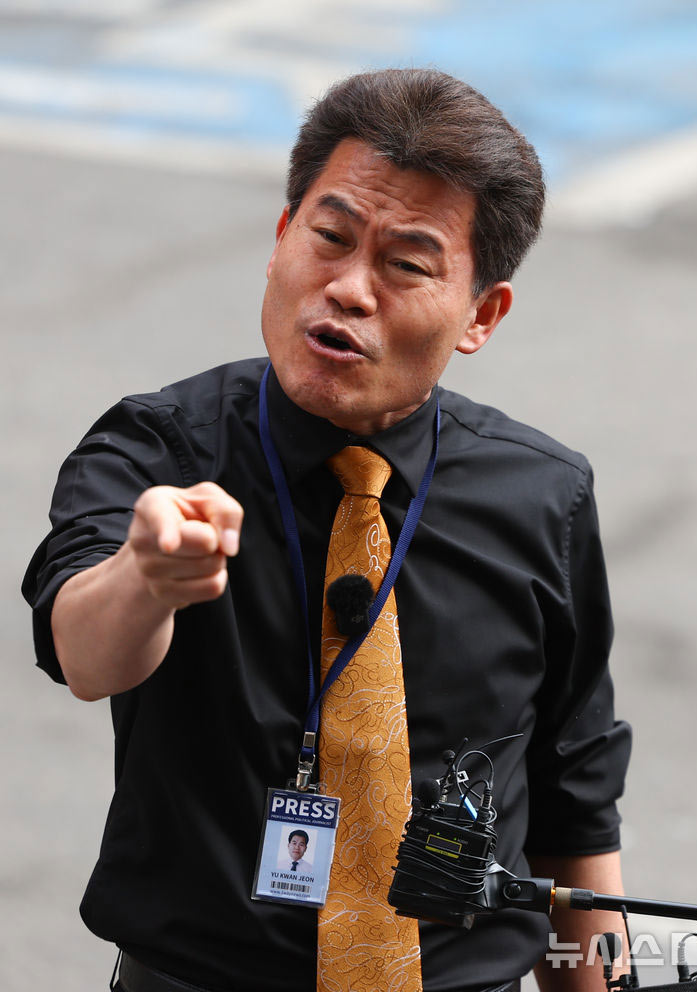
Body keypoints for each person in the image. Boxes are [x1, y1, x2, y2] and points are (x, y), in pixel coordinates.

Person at [23, 68, 631, 992]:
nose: (347, 289)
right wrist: (146, 577)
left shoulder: (543, 498)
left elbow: (573, 807)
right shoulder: (161, 449)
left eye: (407, 265)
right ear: (281, 239)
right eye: (330, 237)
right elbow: (85, 653)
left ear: (481, 314)